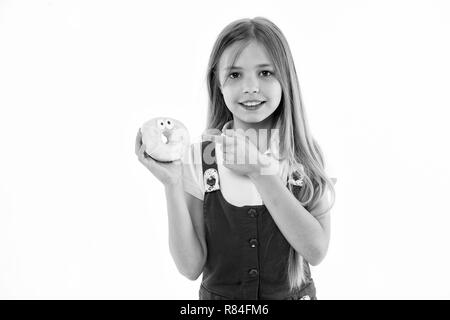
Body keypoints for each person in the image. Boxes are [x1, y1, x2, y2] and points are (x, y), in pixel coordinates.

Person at [135, 17, 336, 300]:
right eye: (235, 75)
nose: (250, 87)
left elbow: (316, 250)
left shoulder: (303, 155)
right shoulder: (200, 157)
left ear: (285, 79)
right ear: (217, 83)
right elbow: (190, 266)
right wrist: (171, 185)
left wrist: (258, 170)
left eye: (265, 73)